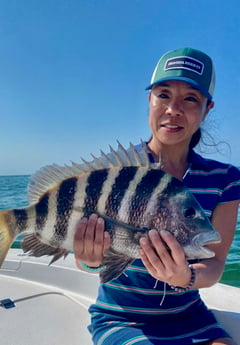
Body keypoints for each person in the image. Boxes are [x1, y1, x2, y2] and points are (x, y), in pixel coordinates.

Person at [73, 47, 240, 345]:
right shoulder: (117, 171)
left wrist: (183, 278)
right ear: (149, 99)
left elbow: (214, 263)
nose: (173, 109)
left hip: (191, 316)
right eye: (163, 94)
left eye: (190, 98)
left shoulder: (225, 180)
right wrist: (89, 260)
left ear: (207, 108)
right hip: (121, 318)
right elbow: (86, 262)